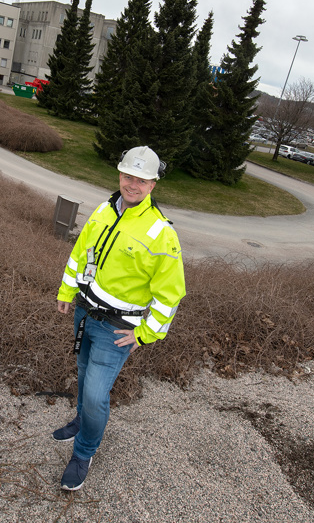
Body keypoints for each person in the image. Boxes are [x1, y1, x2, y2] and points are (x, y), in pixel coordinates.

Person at [53, 146, 186, 491]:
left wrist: (144, 334)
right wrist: (67, 293)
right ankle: (81, 423)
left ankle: (84, 452)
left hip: (117, 329)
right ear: (120, 175)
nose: (132, 184)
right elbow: (79, 255)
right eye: (128, 176)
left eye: (141, 180)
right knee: (82, 375)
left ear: (153, 184)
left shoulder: (162, 233)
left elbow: (170, 296)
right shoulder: (103, 210)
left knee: (97, 394)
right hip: (84, 311)